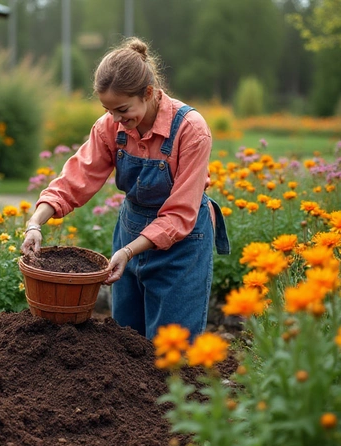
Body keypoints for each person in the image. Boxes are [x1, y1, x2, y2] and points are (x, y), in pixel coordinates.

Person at [21, 37, 230, 340]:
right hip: (130, 234)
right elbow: (74, 179)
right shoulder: (110, 126)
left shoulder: (190, 130)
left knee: (173, 354)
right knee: (127, 346)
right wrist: (34, 223)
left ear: (147, 93)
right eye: (109, 110)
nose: (116, 120)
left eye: (122, 109)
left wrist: (130, 251)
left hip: (181, 246)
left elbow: (180, 212)